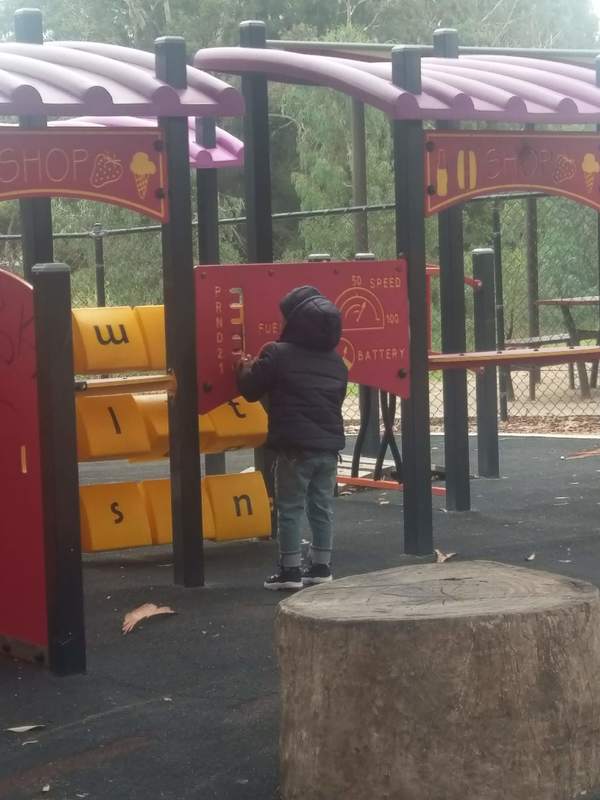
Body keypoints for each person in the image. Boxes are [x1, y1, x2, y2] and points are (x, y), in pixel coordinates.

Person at [235, 285, 348, 590]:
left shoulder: (278, 353)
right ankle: (322, 566)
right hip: (328, 449)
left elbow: (250, 388)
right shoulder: (337, 363)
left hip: (294, 448)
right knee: (322, 506)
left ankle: (289, 571)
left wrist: (242, 367)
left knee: (290, 507)